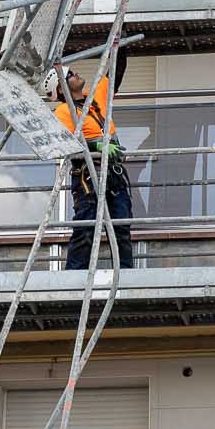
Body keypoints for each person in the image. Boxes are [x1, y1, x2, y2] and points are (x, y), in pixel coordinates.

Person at [47, 50, 135, 270]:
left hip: (113, 175)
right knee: (86, 230)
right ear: (60, 89)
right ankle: (74, 276)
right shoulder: (63, 112)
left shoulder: (95, 97)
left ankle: (124, 274)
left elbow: (115, 71)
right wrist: (96, 145)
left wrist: (120, 44)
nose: (76, 74)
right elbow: (66, 145)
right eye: (70, 75)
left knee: (121, 228)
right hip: (88, 177)